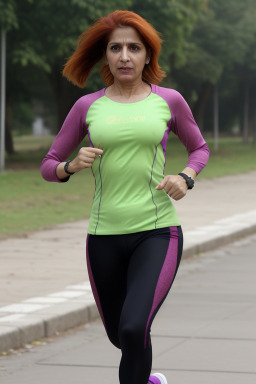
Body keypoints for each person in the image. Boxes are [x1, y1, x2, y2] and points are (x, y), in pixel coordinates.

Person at [41, 10, 209, 384]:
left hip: (157, 231)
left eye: (134, 48)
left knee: (134, 329)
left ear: (147, 55)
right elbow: (48, 165)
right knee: (121, 336)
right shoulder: (87, 107)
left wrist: (186, 176)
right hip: (103, 235)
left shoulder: (169, 101)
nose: (124, 56)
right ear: (105, 56)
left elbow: (199, 149)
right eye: (115, 48)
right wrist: (71, 166)